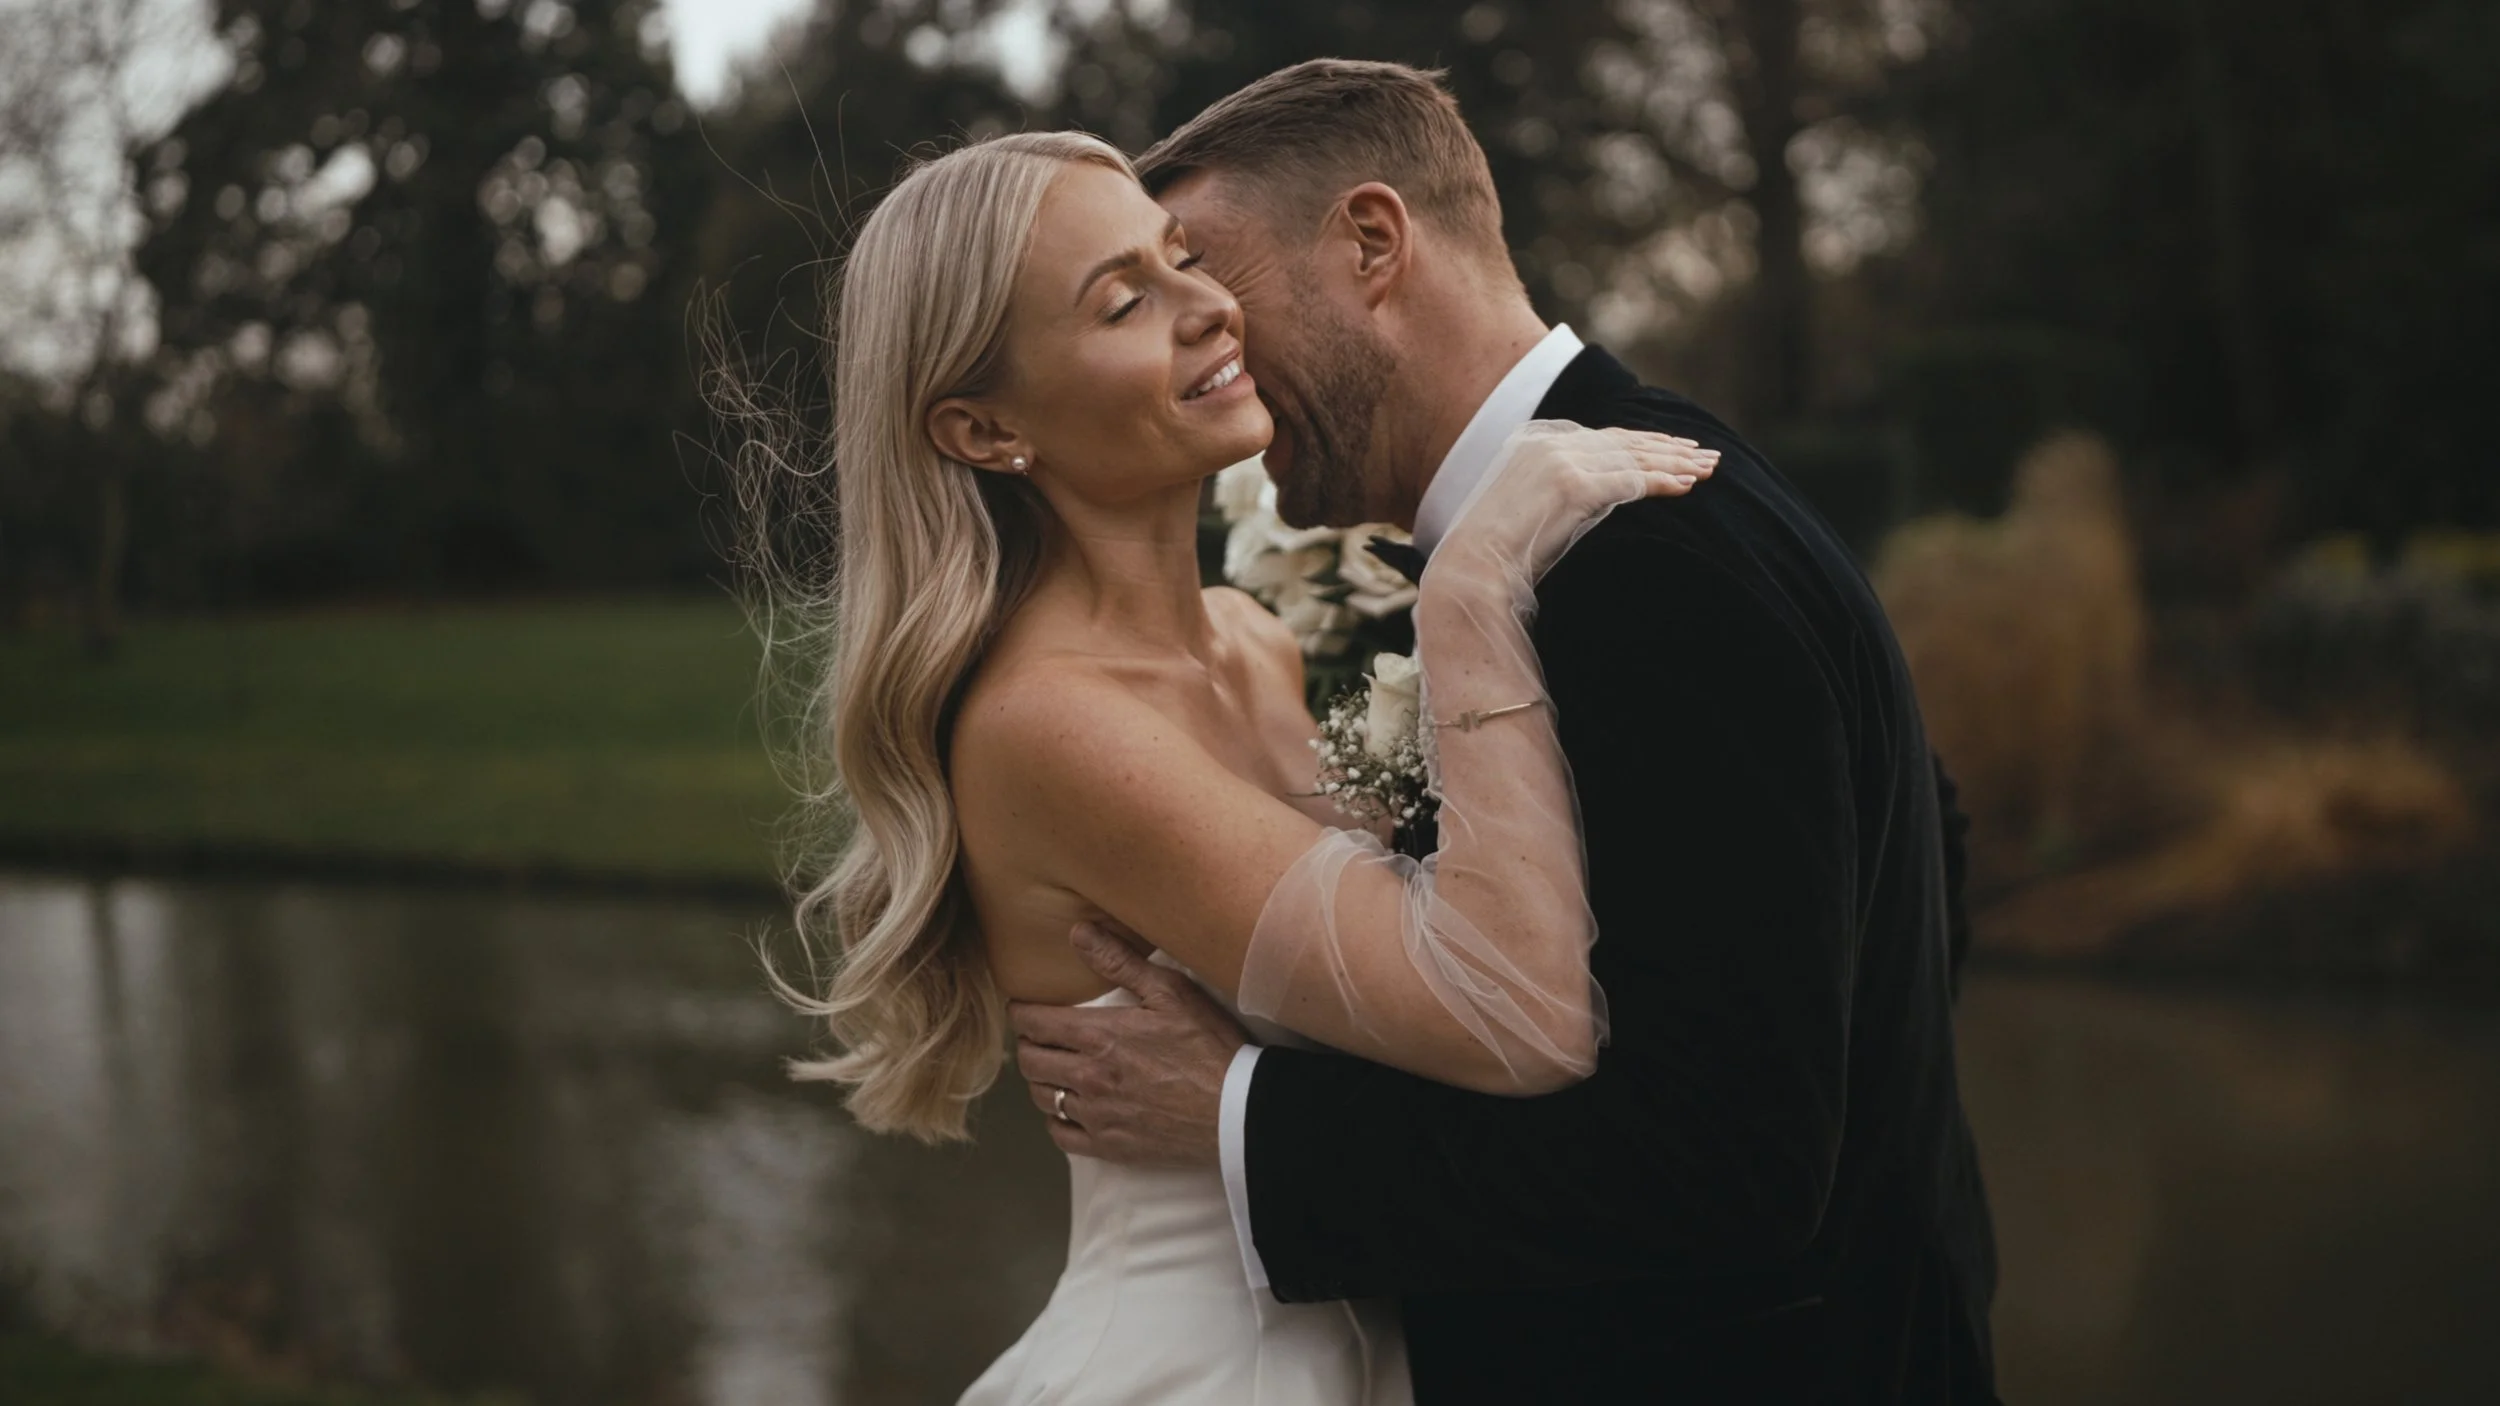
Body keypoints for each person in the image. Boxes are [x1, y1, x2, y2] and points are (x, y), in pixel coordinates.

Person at [1006, 61, 2001, 1404]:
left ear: (1372, 244)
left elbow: (1730, 1162)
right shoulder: (1667, 474)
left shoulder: (1635, 559)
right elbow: (1919, 848)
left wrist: (1244, 1119)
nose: (1216, 346)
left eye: (1226, 293)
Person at [721, 123, 1717, 1403]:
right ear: (980, 427)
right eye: (1125, 300)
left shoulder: (1255, 640)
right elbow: (1512, 1020)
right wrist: (1467, 595)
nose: (1207, 308)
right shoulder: (1052, 728)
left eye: (1181, 258)